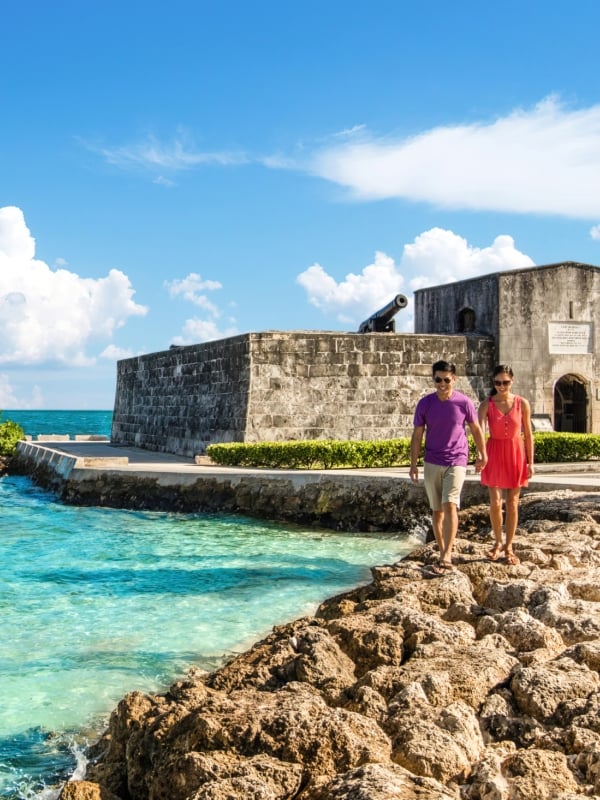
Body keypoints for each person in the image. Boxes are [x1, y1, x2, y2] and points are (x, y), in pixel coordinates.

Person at [409, 360, 487, 575]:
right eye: (438, 380)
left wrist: (483, 453)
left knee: (450, 504)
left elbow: (476, 429)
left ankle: (446, 555)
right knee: (437, 510)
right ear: (433, 379)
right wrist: (413, 464)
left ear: (454, 379)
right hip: (432, 460)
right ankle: (443, 549)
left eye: (446, 380)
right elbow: (417, 435)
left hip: (457, 459)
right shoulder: (425, 403)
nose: (442, 384)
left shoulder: (464, 402)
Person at [478, 365, 534, 566]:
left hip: (516, 452)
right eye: (498, 383)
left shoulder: (522, 403)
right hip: (494, 453)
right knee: (495, 502)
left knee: (513, 503)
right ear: (493, 383)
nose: (502, 386)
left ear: (512, 381)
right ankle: (497, 542)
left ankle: (509, 545)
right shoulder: (486, 405)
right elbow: (480, 433)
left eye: (505, 382)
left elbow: (528, 434)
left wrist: (531, 462)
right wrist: (480, 454)